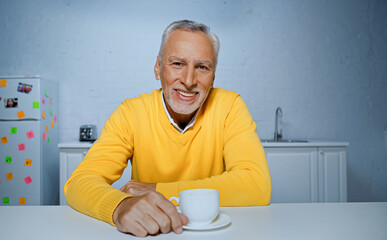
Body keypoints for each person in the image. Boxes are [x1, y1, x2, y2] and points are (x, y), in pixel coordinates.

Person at [64, 20, 271, 237]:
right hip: (152, 232)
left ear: (213, 76)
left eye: (202, 67)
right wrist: (120, 206)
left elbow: (256, 185)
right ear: (158, 68)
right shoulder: (131, 113)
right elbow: (79, 182)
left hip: (212, 232)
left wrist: (157, 190)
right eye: (177, 64)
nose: (189, 80)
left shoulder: (229, 106)